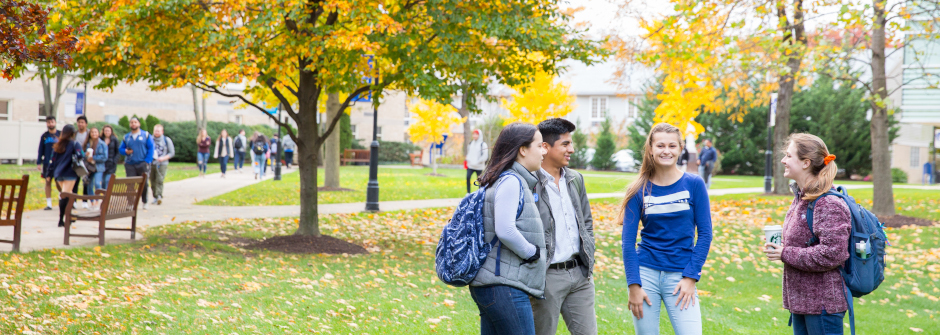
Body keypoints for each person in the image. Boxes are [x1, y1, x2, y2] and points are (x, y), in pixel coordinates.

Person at [621, 123, 712, 335]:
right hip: (646, 275)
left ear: (680, 149)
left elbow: (705, 235)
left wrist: (691, 277)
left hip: (680, 277)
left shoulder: (694, 184)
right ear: (650, 149)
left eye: (672, 146)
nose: (666, 151)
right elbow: (627, 243)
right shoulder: (638, 190)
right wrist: (633, 285)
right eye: (660, 145)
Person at [763, 133, 850, 335]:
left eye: (789, 156)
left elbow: (832, 254)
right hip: (802, 304)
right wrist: (780, 247)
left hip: (822, 306)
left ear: (806, 163)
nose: (783, 160)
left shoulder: (828, 203)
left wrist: (785, 253)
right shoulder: (802, 199)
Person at [468, 122, 548, 335]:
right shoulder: (512, 181)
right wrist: (532, 253)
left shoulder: (502, 177)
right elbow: (505, 229)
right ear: (522, 149)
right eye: (539, 146)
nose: (544, 152)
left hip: (493, 284)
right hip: (504, 285)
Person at [532, 118, 596, 335]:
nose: (572, 149)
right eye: (566, 144)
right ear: (545, 147)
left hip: (580, 275)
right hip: (546, 278)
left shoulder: (575, 179)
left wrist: (589, 255)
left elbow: (586, 222)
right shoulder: (529, 182)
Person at [49, 124, 83, 227]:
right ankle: (61, 219)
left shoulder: (58, 144)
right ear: (73, 133)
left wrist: (49, 174)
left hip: (58, 173)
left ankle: (69, 216)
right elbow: (80, 155)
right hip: (69, 172)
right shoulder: (75, 144)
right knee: (65, 195)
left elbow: (53, 160)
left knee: (68, 193)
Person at [119, 117, 154, 209]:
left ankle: (145, 201)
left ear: (139, 124)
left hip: (142, 162)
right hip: (130, 163)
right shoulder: (127, 137)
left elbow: (151, 148)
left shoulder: (146, 135)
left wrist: (147, 161)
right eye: (131, 122)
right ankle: (130, 203)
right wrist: (125, 151)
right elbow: (121, 149)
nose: (133, 124)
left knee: (144, 184)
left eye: (135, 122)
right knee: (130, 184)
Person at [37, 116, 60, 210]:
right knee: (47, 182)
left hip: (58, 162)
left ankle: (61, 200)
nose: (50, 124)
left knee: (59, 182)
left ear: (55, 122)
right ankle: (49, 203)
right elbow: (40, 149)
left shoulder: (60, 134)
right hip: (47, 163)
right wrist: (39, 162)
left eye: (52, 122)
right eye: (48, 122)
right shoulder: (44, 136)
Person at [150, 124, 175, 205]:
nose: (156, 132)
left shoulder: (166, 140)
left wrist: (163, 158)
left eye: (158, 131)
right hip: (151, 163)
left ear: (162, 132)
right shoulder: (150, 139)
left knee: (159, 180)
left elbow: (172, 153)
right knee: (152, 181)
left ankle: (159, 196)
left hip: (162, 164)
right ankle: (155, 196)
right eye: (155, 131)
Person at [83, 127, 108, 209]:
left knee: (97, 183)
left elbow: (105, 157)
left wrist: (94, 158)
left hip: (98, 167)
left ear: (98, 133)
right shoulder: (87, 144)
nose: (94, 134)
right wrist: (85, 156)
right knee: (89, 185)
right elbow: (82, 155)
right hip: (89, 168)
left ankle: (97, 201)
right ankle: (92, 202)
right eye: (92, 132)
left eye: (95, 132)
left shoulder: (102, 144)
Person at [72, 115, 90, 208]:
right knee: (75, 181)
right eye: (79, 122)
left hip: (87, 161)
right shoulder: (74, 134)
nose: (80, 124)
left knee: (86, 181)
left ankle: (85, 202)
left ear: (86, 124)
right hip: (76, 161)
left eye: (82, 122)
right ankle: (74, 201)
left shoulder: (89, 134)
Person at [466, 129, 489, 193]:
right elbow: (469, 154)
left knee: (480, 181)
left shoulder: (483, 144)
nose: (474, 136)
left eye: (476, 134)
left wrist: (478, 162)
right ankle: (468, 193)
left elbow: (485, 156)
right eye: (473, 134)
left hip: (479, 167)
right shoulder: (470, 144)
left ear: (479, 135)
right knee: (468, 177)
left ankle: (480, 193)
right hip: (471, 166)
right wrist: (468, 161)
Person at [101, 125, 119, 191]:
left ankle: (107, 196)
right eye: (105, 130)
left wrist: (115, 161)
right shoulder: (101, 139)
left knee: (107, 180)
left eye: (108, 131)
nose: (107, 132)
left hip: (111, 163)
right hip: (102, 163)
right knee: (102, 181)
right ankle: (103, 196)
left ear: (111, 131)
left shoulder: (114, 140)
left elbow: (117, 151)